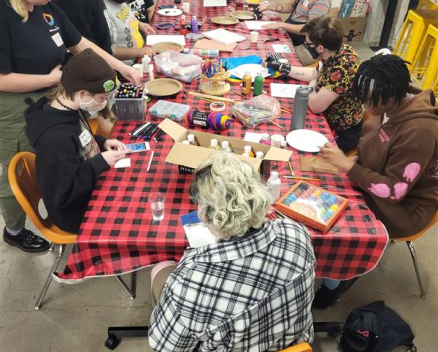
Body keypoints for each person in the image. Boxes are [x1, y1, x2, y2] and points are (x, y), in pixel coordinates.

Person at [0, 0, 139, 253]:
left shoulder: (47, 8)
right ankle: (14, 229)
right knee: (19, 171)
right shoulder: (4, 15)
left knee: (58, 161)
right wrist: (53, 78)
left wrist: (117, 68)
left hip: (53, 96)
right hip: (17, 103)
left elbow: (81, 44)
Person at [148, 153, 316, 351]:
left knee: (160, 269)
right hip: (294, 345)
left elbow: (162, 347)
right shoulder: (297, 233)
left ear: (203, 214)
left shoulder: (190, 283)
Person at [315, 54, 438, 309]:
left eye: (371, 99)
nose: (366, 105)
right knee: (320, 184)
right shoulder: (387, 106)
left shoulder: (420, 132)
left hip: (404, 209)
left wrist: (348, 165)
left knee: (334, 216)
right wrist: (351, 161)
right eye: (363, 96)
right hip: (373, 178)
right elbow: (373, 146)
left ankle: (335, 280)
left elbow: (394, 191)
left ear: (394, 93)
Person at [25, 49, 129, 234]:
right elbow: (62, 194)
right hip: (76, 213)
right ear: (82, 94)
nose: (104, 103)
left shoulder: (66, 106)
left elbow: (78, 139)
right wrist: (99, 163)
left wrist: (100, 141)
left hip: (86, 184)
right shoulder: (56, 139)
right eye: (101, 98)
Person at [266, 15, 363, 153]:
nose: (307, 46)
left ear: (321, 47)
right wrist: (283, 68)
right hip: (328, 117)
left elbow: (316, 106)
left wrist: (312, 85)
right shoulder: (335, 51)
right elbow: (314, 74)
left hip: (342, 132)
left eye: (309, 44)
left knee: (295, 147)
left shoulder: (344, 66)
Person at [258, 0, 331, 46]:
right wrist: (268, 6)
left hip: (299, 41)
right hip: (288, 33)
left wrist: (282, 25)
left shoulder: (323, 2)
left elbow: (311, 29)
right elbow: (289, 6)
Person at [103, 0, 155, 65]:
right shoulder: (104, 12)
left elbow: (128, 16)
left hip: (142, 53)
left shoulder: (120, 2)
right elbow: (109, 50)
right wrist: (138, 52)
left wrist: (140, 24)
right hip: (128, 67)